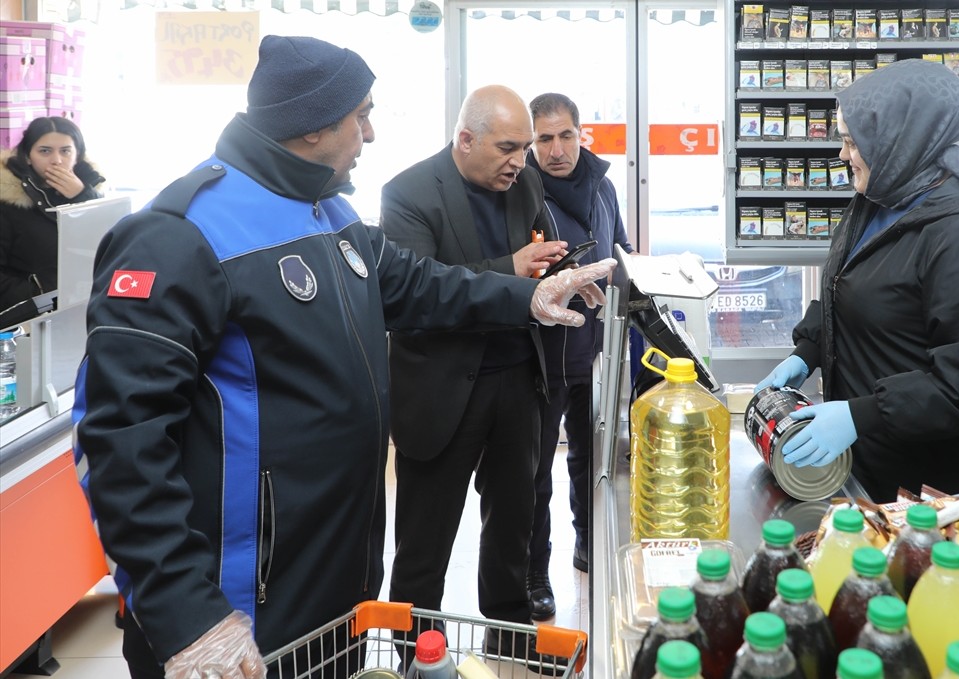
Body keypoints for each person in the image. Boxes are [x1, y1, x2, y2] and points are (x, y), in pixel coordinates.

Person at [72, 37, 612, 679]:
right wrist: (185, 614)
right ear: (310, 127)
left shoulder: (328, 212)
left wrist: (529, 295)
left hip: (338, 578)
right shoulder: (177, 236)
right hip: (239, 606)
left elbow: (418, 284)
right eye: (361, 115)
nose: (372, 133)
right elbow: (119, 438)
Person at [755, 58, 959, 501]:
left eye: (853, 143)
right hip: (871, 469)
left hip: (936, 491)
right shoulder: (882, 196)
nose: (841, 155)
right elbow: (854, 290)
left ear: (899, 140)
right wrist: (807, 350)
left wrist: (860, 416)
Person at [380, 85, 570, 658]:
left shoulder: (526, 184)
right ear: (465, 139)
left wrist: (561, 273)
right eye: (509, 147)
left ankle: (510, 636)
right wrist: (510, 273)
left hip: (518, 381)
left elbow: (535, 259)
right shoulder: (408, 193)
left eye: (525, 146)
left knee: (514, 523)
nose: (521, 160)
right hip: (441, 391)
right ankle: (415, 651)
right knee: (425, 538)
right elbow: (411, 298)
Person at [525, 92, 635, 617]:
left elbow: (621, 248)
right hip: (539, 355)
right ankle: (532, 571)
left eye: (565, 135)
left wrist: (635, 272)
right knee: (533, 467)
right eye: (543, 138)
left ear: (580, 133)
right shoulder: (519, 190)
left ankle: (587, 542)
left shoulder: (604, 186)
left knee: (590, 458)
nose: (556, 149)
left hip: (595, 352)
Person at [0, 116, 105, 312]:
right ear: (28, 156)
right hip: (29, 316)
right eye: (45, 151)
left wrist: (84, 197)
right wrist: (40, 296)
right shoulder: (7, 201)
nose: (56, 160)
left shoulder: (94, 192)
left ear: (78, 154)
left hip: (85, 307)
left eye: (65, 151)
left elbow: (108, 247)